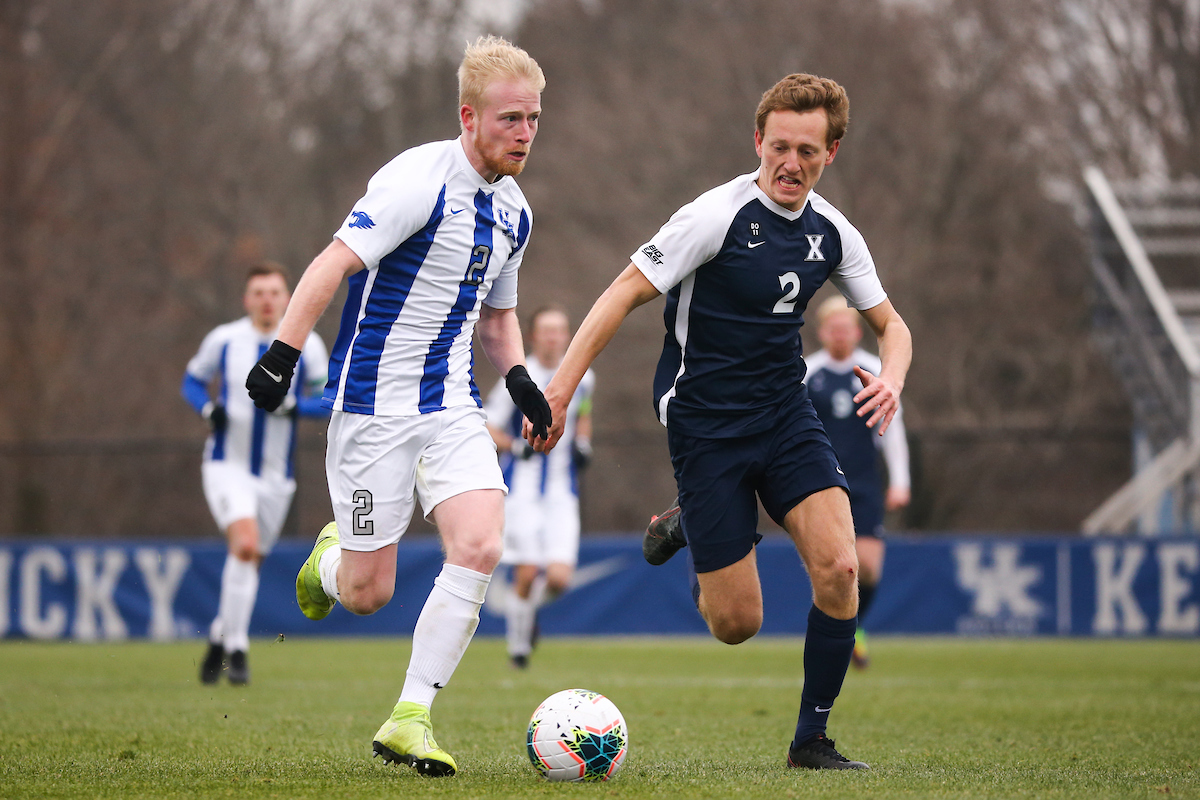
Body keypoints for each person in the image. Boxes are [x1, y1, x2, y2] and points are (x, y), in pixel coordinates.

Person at [528, 73, 912, 770]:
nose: (791, 163)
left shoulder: (833, 233)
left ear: (833, 153)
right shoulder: (713, 217)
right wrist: (560, 390)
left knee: (841, 568)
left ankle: (811, 741)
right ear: (758, 141)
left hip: (785, 413)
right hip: (703, 418)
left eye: (809, 150)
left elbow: (891, 324)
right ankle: (691, 526)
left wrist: (893, 376)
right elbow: (622, 292)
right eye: (780, 147)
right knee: (737, 624)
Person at [244, 36, 551, 778]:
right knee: (365, 593)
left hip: (450, 404)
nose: (525, 133)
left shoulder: (516, 214)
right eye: (511, 118)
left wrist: (519, 383)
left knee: (479, 544)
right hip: (372, 406)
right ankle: (329, 564)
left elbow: (497, 320)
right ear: (469, 116)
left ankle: (411, 716)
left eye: (535, 118)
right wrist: (282, 353)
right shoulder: (418, 179)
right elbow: (330, 264)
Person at [182, 262, 329, 685]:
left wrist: (292, 407)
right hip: (227, 465)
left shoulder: (309, 344)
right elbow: (192, 382)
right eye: (259, 293)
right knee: (244, 547)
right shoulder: (224, 340)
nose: (267, 300)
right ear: (247, 299)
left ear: (287, 298)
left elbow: (327, 399)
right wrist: (207, 410)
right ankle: (239, 649)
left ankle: (217, 637)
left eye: (275, 292)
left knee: (249, 560)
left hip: (275, 479)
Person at [484, 307, 595, 669]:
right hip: (523, 489)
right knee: (527, 571)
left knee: (560, 578)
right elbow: (489, 425)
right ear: (533, 336)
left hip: (563, 491)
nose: (553, 337)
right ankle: (519, 647)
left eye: (559, 330)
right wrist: (515, 446)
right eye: (546, 331)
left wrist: (582, 443)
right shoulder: (519, 378)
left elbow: (583, 414)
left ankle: (526, 613)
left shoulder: (584, 376)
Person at [803, 295, 910, 669]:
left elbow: (893, 430)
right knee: (835, 567)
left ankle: (855, 630)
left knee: (868, 568)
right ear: (822, 332)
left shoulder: (874, 370)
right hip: (819, 482)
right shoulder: (807, 372)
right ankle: (835, 637)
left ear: (856, 332)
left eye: (846, 328)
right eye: (833, 329)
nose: (839, 335)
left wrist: (900, 480)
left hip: (864, 482)